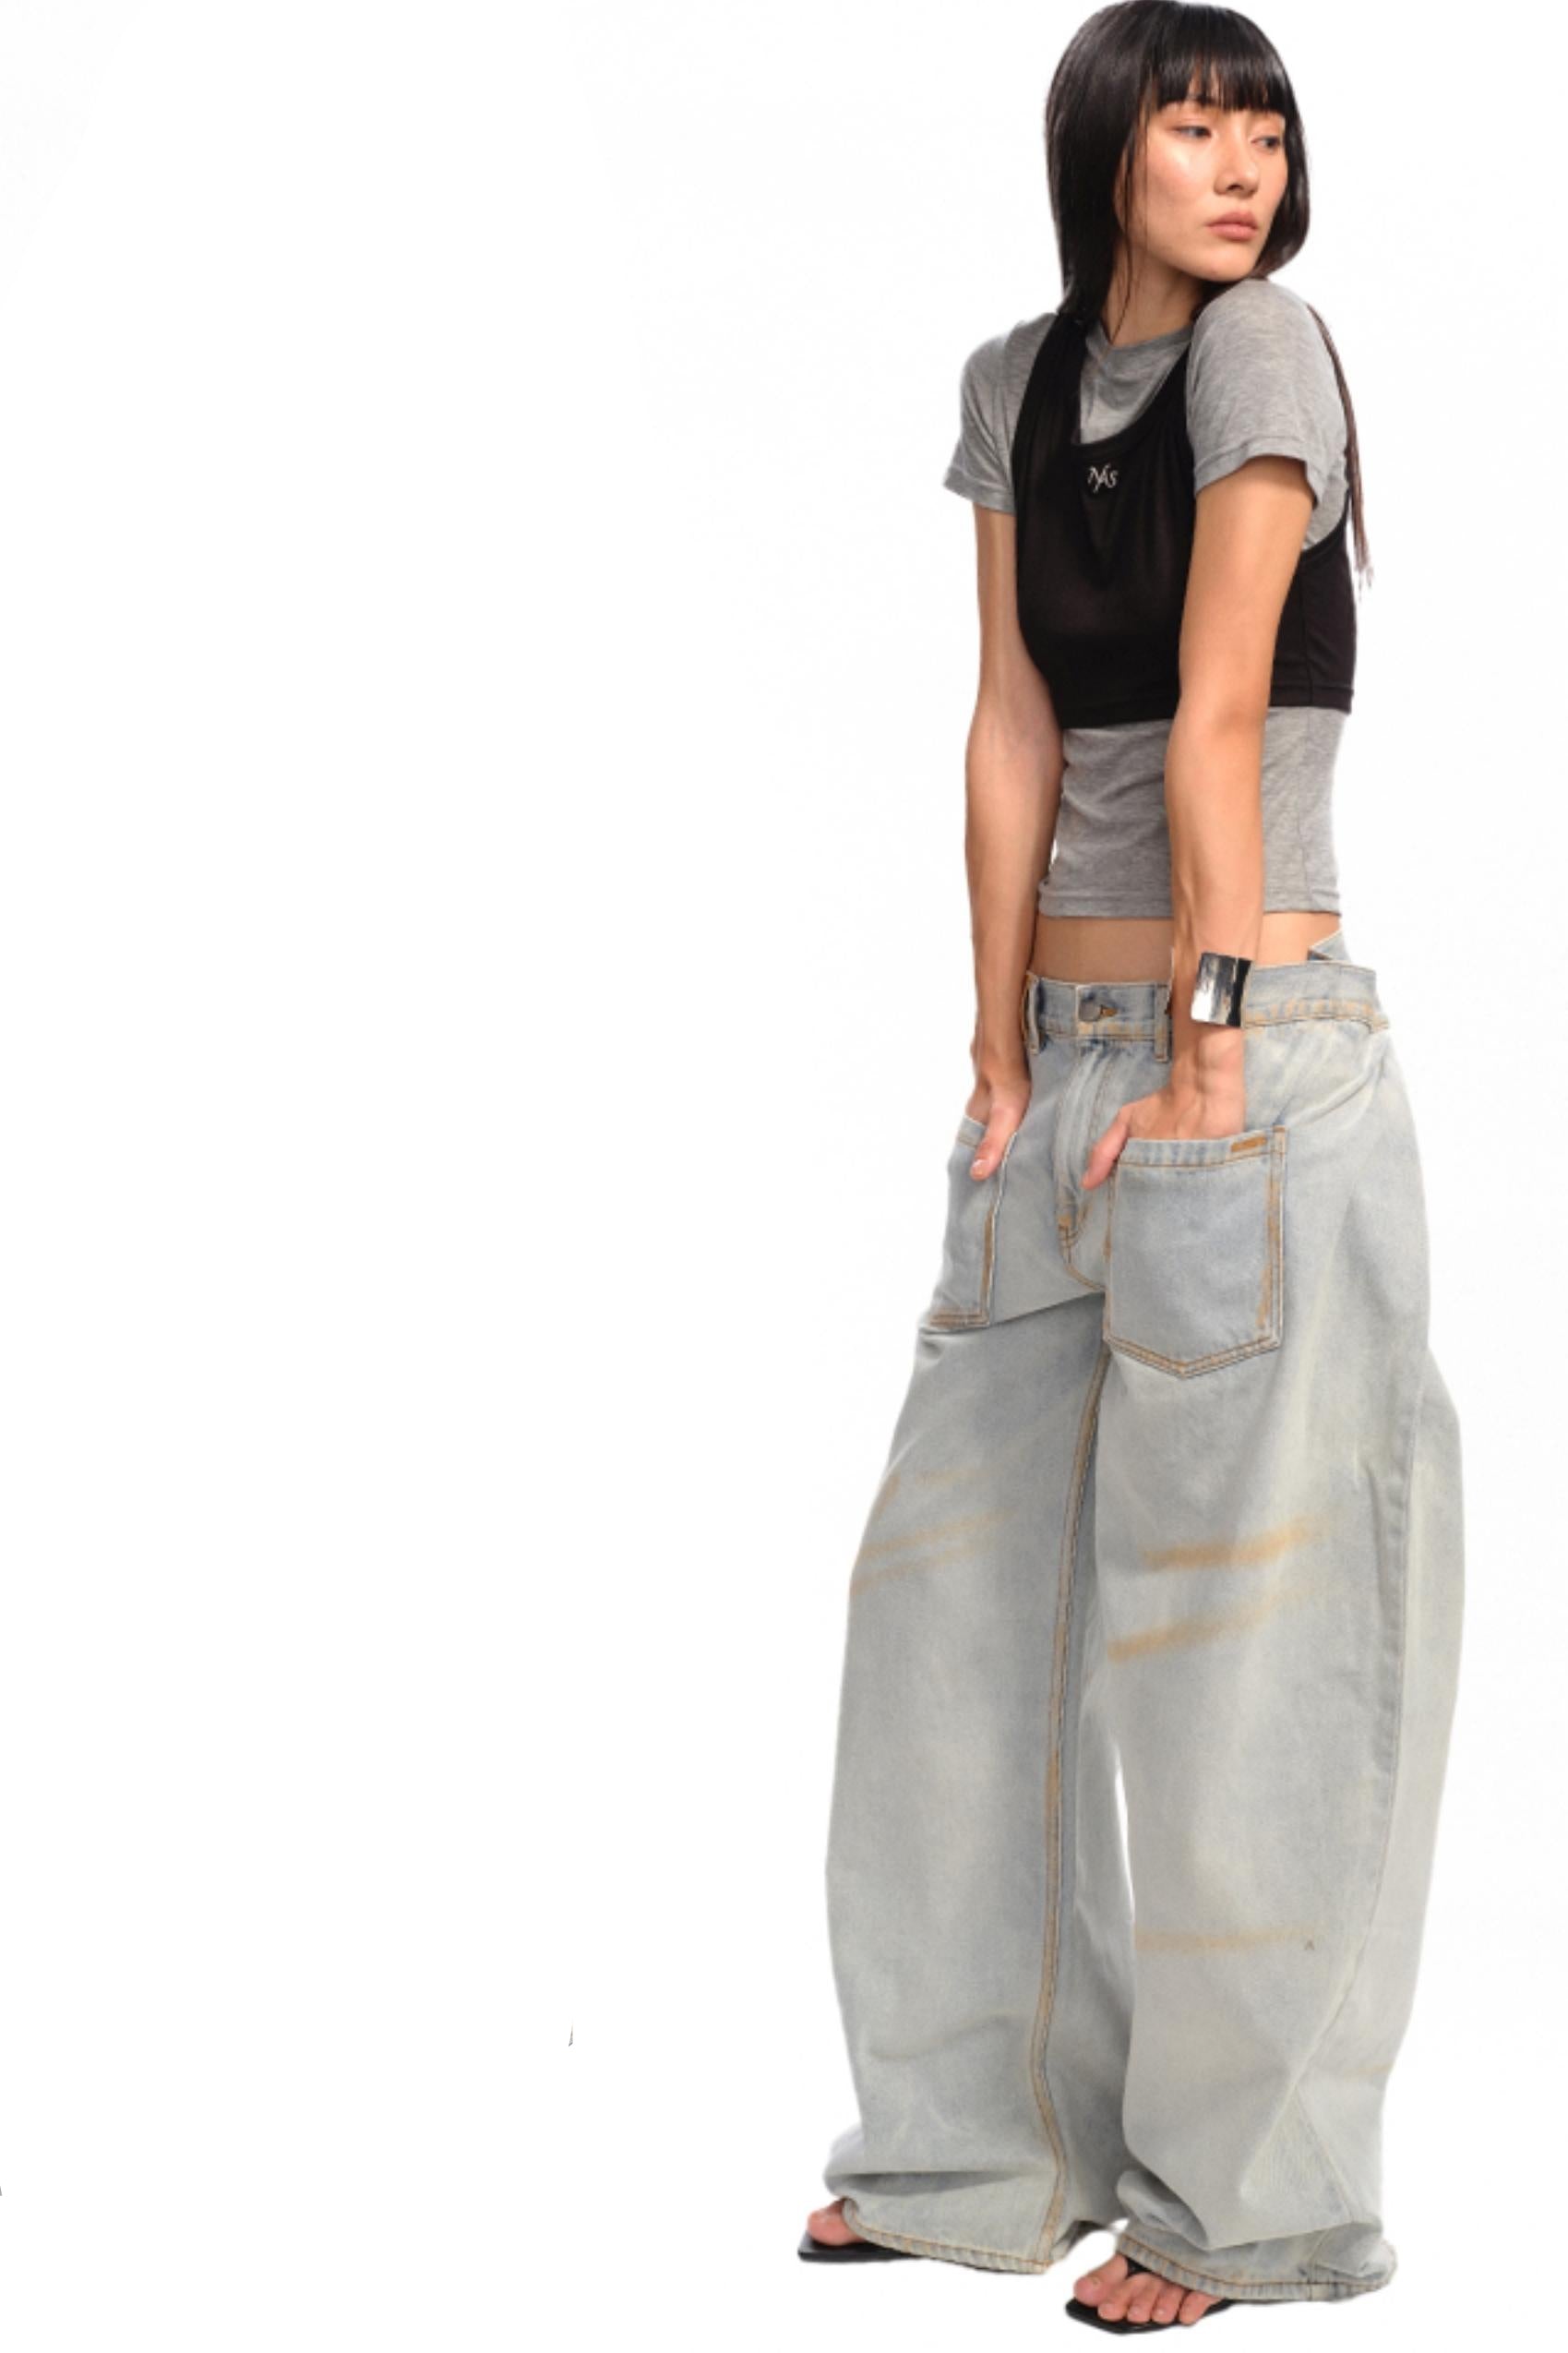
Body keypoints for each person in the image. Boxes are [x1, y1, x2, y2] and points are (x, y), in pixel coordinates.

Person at [796, 2, 1465, 2332]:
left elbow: (1215, 703)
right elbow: (1009, 718)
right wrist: (995, 1043)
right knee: (951, 1625)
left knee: (1239, 1659)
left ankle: (1237, 2212)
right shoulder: (1012, 384)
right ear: (1105, 145)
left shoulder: (1267, 353)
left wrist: (1199, 1034)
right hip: (1059, 1083)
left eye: (1263, 123)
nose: (1240, 161)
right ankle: (970, 2156)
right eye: (1194, 122)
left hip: (1245, 1064)